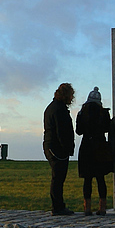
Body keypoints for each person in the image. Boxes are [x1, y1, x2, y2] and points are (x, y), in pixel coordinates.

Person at [75, 87, 112, 216]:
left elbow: (78, 131)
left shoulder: (81, 112)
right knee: (100, 178)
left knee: (87, 179)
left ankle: (87, 208)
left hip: (86, 146)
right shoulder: (104, 112)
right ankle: (102, 208)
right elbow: (108, 128)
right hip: (100, 146)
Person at [43, 83, 76, 216]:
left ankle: (58, 205)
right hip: (57, 148)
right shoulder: (59, 109)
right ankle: (57, 207)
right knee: (58, 178)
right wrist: (67, 148)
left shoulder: (52, 108)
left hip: (51, 146)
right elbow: (62, 132)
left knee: (57, 178)